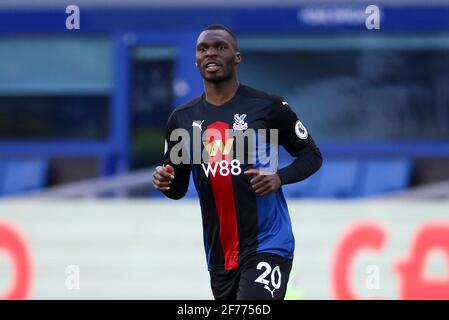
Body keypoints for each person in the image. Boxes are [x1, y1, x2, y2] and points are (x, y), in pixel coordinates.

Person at [152, 24, 322, 300]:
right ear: (196, 59)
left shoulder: (268, 107)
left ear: (237, 57)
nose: (211, 53)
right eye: (203, 49)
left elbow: (311, 155)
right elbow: (178, 187)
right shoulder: (182, 119)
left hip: (268, 243)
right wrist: (165, 182)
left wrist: (279, 178)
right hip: (220, 254)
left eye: (220, 47)